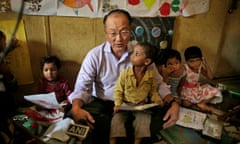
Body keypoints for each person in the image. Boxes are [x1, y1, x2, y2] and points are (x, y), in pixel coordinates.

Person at [68, 9, 179, 144]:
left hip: (135, 104)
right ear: (106, 32)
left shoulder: (140, 53)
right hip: (105, 104)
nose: (119, 38)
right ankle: (126, 135)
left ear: (130, 30)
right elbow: (82, 88)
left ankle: (116, 134)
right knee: (75, 115)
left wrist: (173, 103)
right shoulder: (95, 55)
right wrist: (76, 108)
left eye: (124, 32)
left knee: (162, 114)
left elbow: (159, 83)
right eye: (113, 33)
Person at [110, 42, 164, 144]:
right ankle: (112, 141)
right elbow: (118, 90)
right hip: (125, 104)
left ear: (147, 61)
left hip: (141, 105)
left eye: (137, 54)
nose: (132, 56)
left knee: (144, 120)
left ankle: (137, 141)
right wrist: (118, 103)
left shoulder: (151, 76)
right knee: (116, 120)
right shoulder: (125, 74)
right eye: (133, 53)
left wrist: (157, 99)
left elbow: (153, 91)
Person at [180, 46, 222, 112]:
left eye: (198, 60)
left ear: (201, 59)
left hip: (197, 88)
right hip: (187, 91)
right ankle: (198, 102)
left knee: (217, 91)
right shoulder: (185, 68)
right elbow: (180, 84)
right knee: (186, 103)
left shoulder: (199, 67)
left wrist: (206, 64)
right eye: (192, 61)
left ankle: (202, 103)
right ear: (186, 61)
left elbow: (210, 77)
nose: (195, 63)